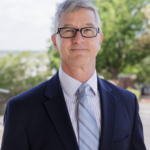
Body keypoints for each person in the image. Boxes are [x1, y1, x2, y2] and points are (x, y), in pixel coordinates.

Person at [1, 0, 146, 150]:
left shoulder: (128, 102)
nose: (78, 39)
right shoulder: (22, 109)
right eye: (68, 30)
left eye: (88, 29)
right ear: (55, 42)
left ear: (100, 40)